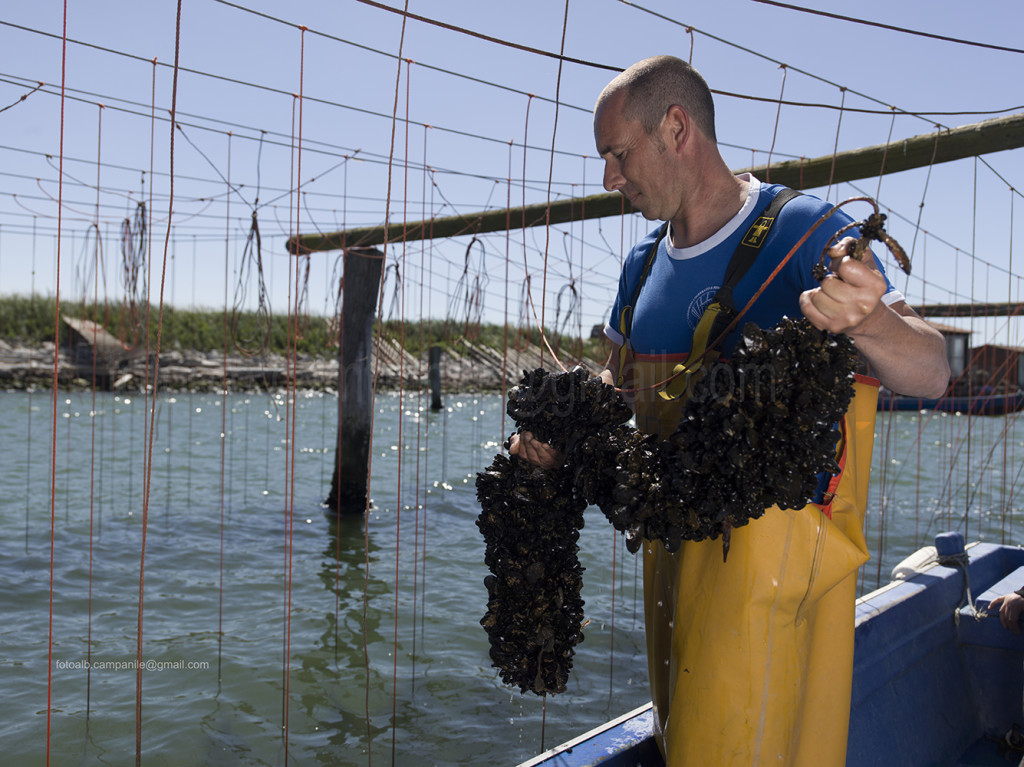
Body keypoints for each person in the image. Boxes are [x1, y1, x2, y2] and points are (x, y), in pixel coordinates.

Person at [510, 55, 950, 766]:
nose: (609, 179)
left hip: (780, 573)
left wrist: (870, 322)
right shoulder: (642, 263)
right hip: (670, 565)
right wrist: (558, 435)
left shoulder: (807, 229)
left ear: (676, 127)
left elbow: (931, 369)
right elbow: (614, 389)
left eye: (618, 155)